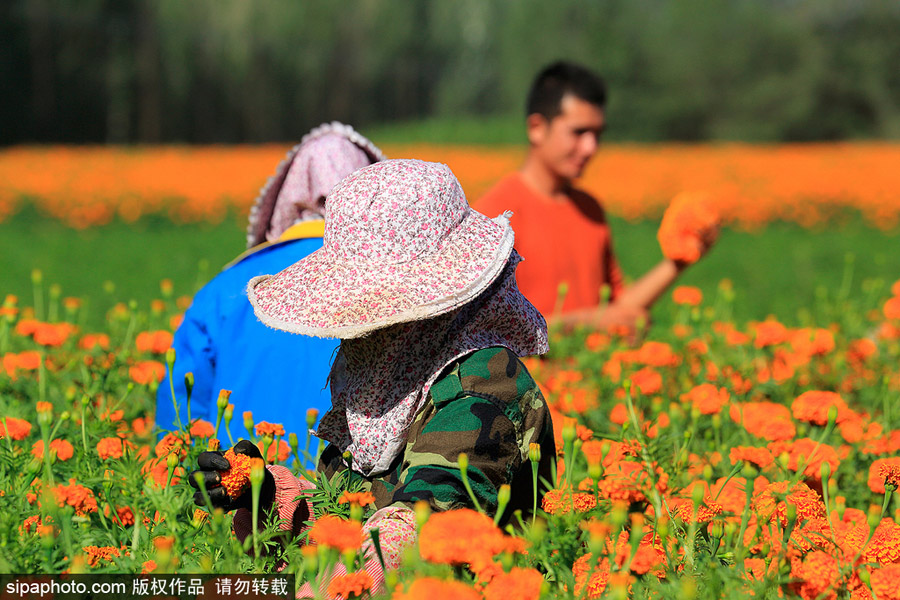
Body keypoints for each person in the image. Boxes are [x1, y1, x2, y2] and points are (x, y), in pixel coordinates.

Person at [189, 159, 556, 593]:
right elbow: (348, 517)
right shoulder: (386, 379)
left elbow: (413, 533)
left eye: (377, 308)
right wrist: (267, 494)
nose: (356, 327)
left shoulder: (484, 383)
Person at [156, 122, 385, 443]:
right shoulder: (393, 284)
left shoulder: (226, 290)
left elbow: (179, 419)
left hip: (236, 471)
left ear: (289, 194)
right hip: (347, 474)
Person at [477, 61, 717, 332]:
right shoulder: (494, 217)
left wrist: (679, 260)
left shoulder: (589, 209)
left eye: (597, 134)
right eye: (579, 132)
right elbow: (481, 332)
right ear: (537, 128)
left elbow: (618, 310)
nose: (591, 147)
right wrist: (589, 323)